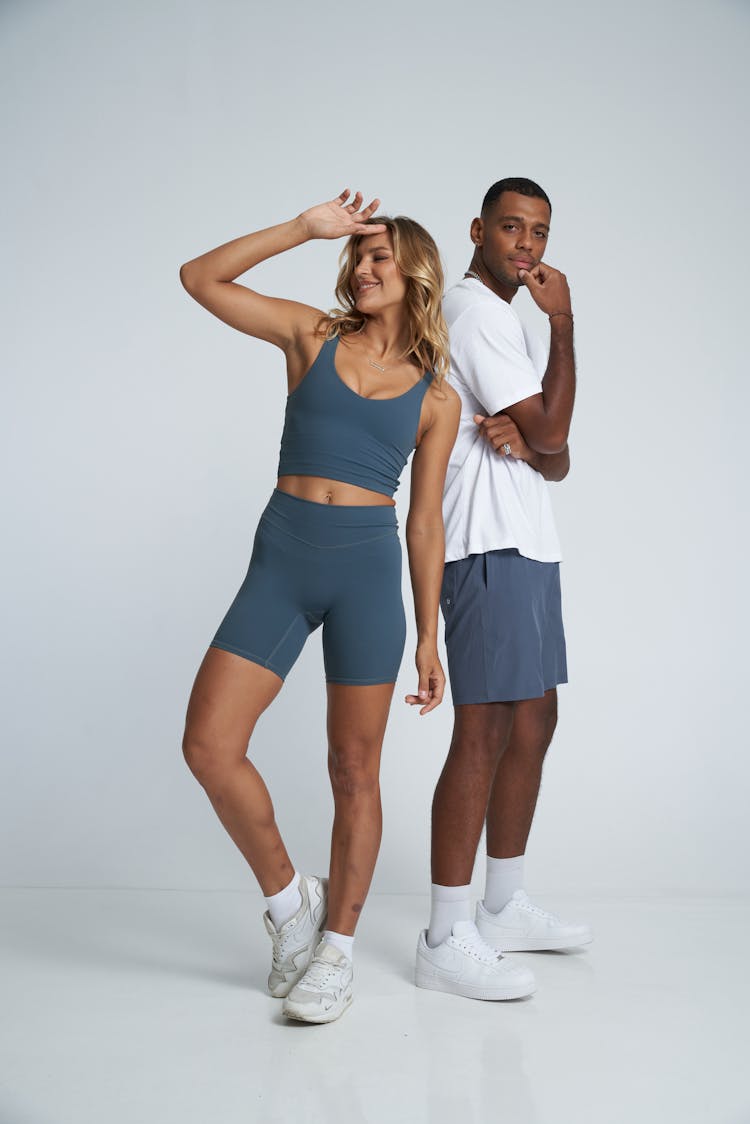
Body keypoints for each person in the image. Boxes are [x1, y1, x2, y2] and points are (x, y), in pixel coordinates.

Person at [179, 189, 460, 1024]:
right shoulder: (312, 334)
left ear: (415, 275)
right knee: (209, 744)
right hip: (285, 556)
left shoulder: (437, 398)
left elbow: (427, 522)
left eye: (381, 257)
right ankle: (291, 907)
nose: (364, 268)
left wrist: (430, 636)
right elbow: (200, 277)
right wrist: (304, 229)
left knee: (354, 771)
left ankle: (335, 952)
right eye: (359, 257)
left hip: (369, 573)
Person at [415, 177, 591, 1002]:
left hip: (526, 538)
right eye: (513, 228)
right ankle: (445, 936)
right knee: (484, 728)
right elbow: (554, 432)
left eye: (541, 232)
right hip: (487, 540)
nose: (527, 244)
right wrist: (562, 320)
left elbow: (555, 455)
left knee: (535, 716)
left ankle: (500, 905)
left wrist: (537, 437)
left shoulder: (502, 317)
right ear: (479, 230)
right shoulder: (482, 312)